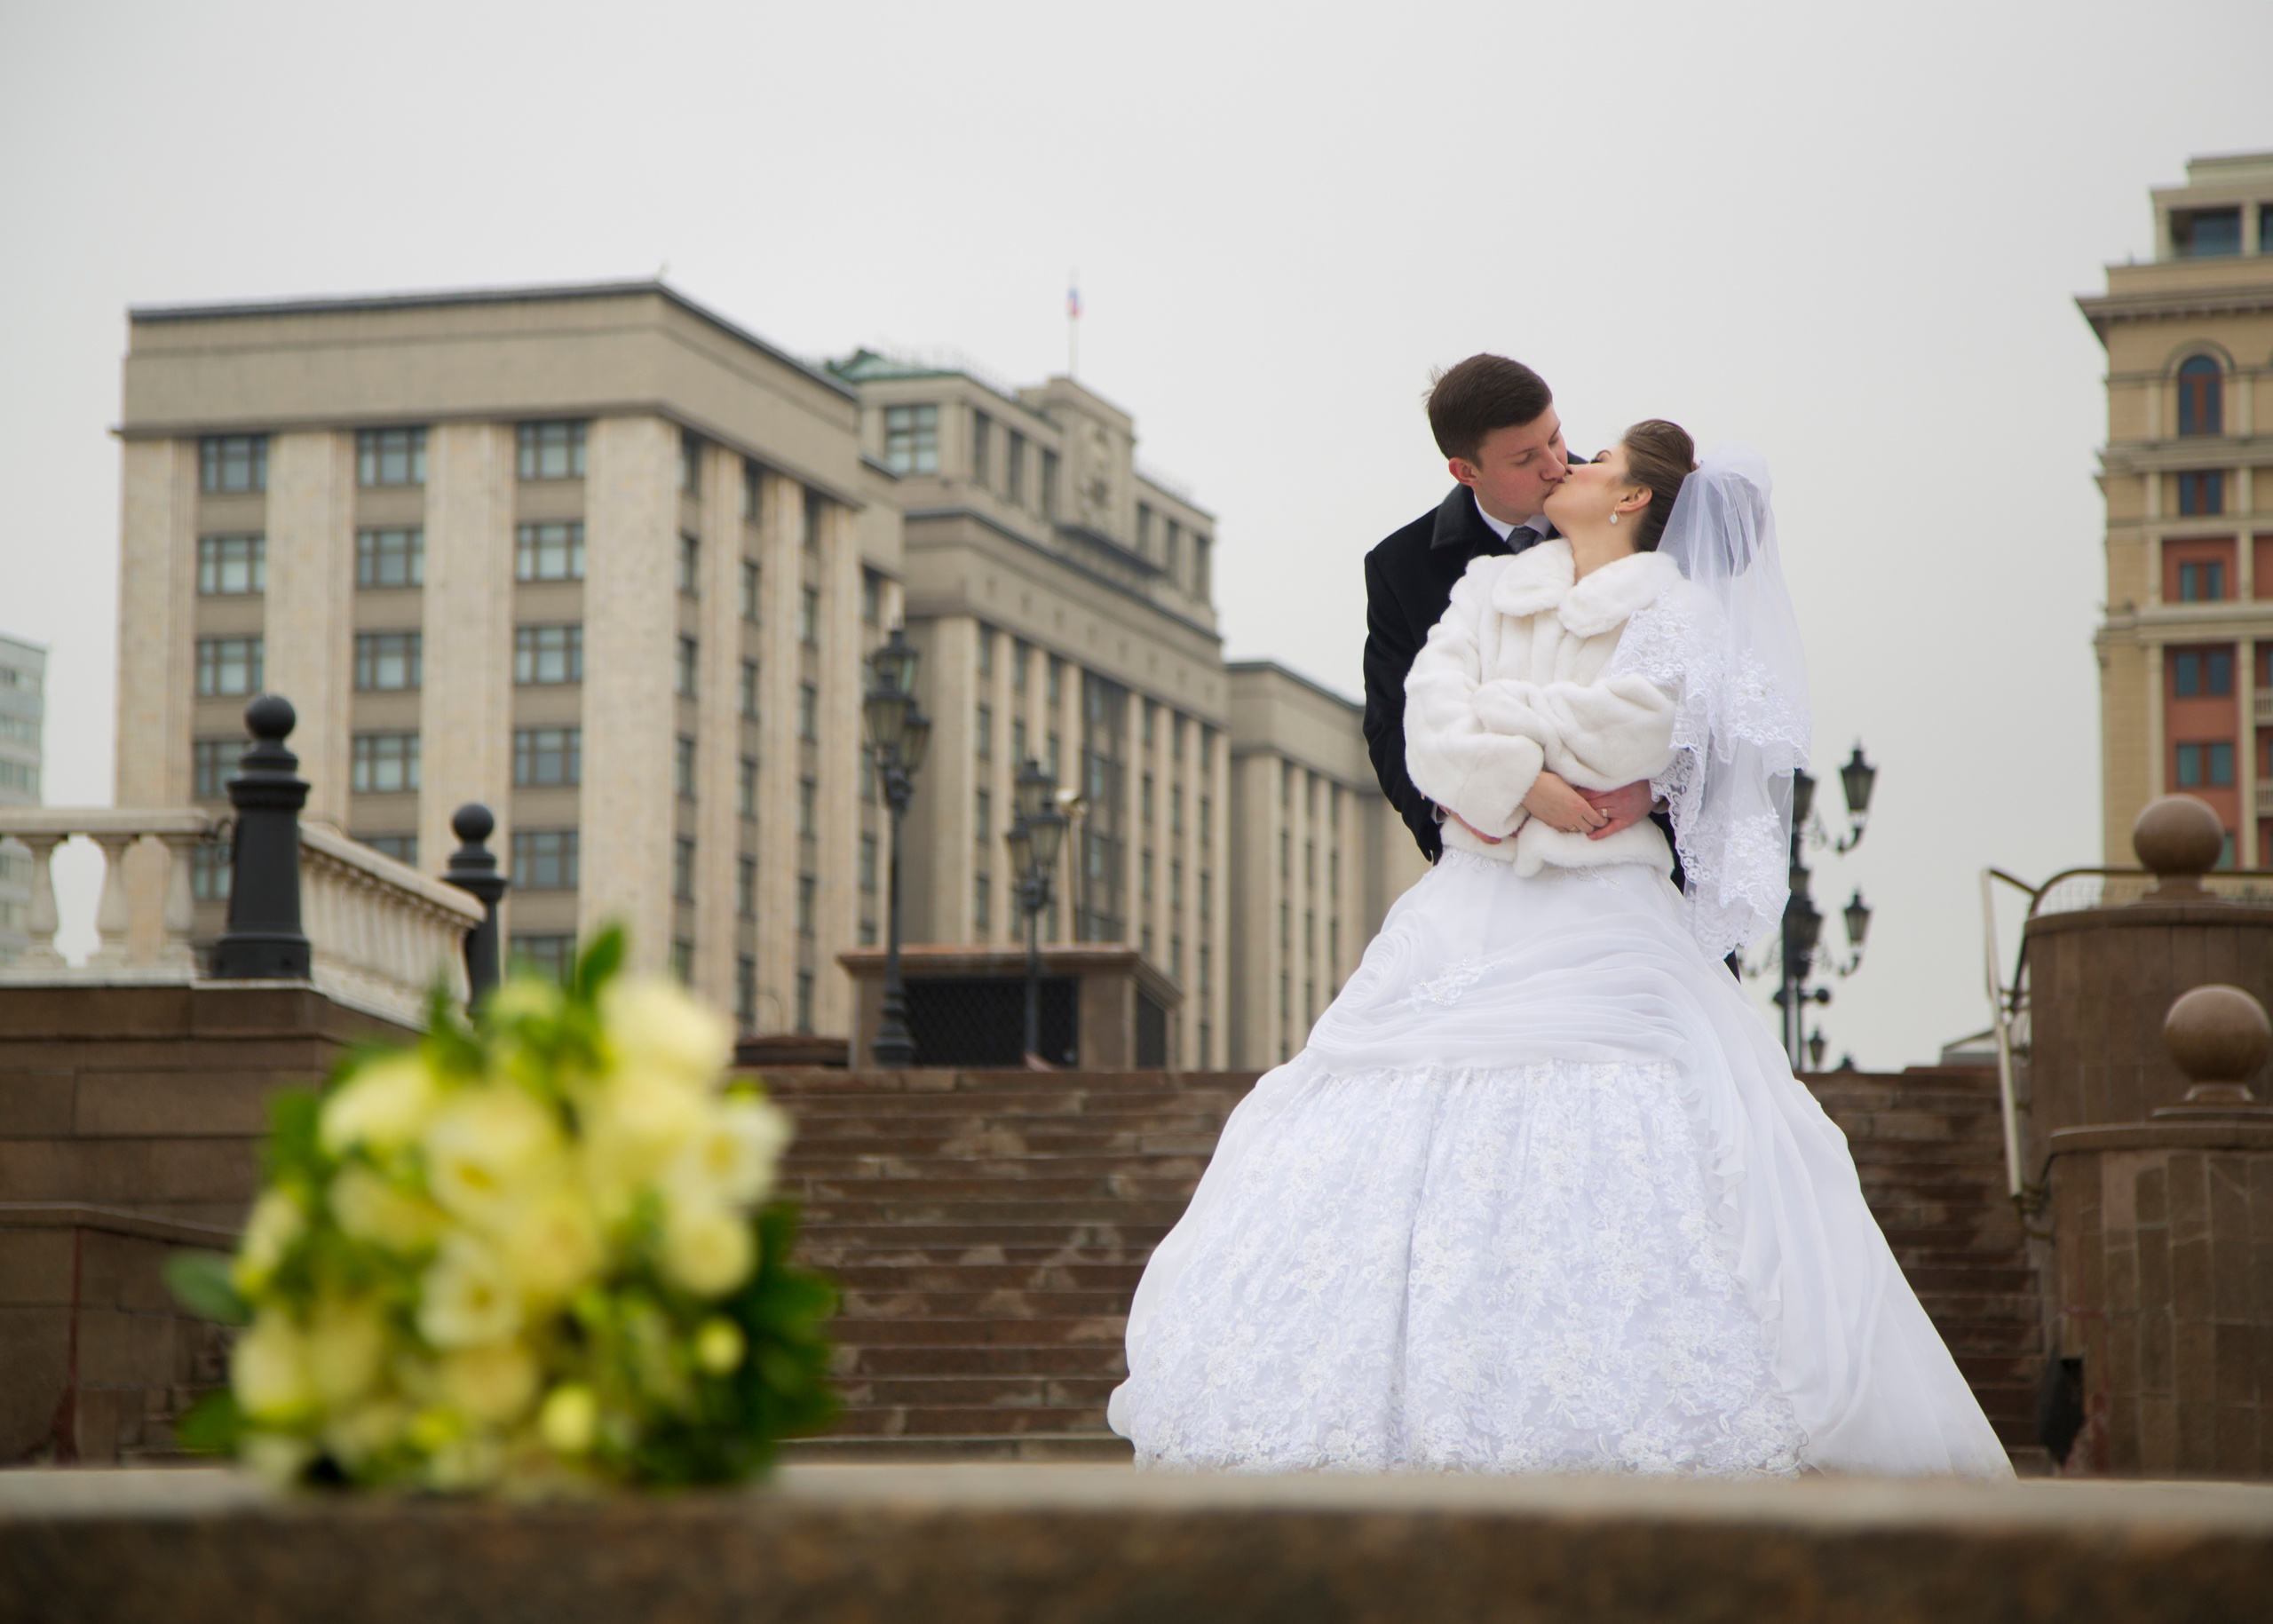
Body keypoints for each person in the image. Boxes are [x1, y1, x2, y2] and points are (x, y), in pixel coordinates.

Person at [1105, 420, 2013, 1479]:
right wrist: (1528, 780)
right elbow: (1425, 725)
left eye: (1596, 462)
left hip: (1603, 912)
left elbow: (1631, 734)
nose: (1571, 465)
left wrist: (1499, 735)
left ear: (1631, 501)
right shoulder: (1491, 591)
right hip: (1473, 895)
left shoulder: (1676, 611)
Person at [1360, 354, 1659, 866]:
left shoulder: (1640, 515)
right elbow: (1392, 722)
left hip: (1636, 860)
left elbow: (1711, 693)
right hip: (1493, 867)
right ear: (1465, 471)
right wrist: (1482, 802)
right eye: (1524, 459)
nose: (1557, 465)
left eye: (1555, 437)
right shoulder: (1401, 566)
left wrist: (1657, 790)